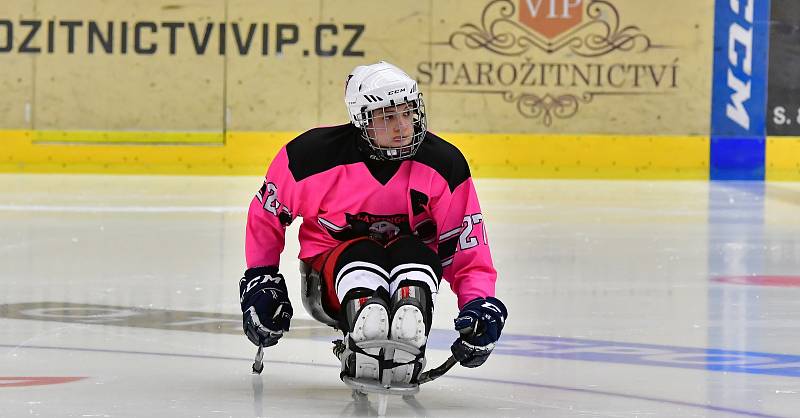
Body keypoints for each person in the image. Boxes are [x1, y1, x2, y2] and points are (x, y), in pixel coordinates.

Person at [238, 61, 508, 385]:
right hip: (329, 276)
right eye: (387, 116)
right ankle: (364, 328)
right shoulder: (310, 158)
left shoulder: (444, 164)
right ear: (361, 119)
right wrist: (262, 276)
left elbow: (466, 247)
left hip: (408, 267)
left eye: (407, 113)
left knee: (415, 254)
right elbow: (267, 215)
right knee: (362, 254)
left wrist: (479, 302)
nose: (402, 126)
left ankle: (409, 328)